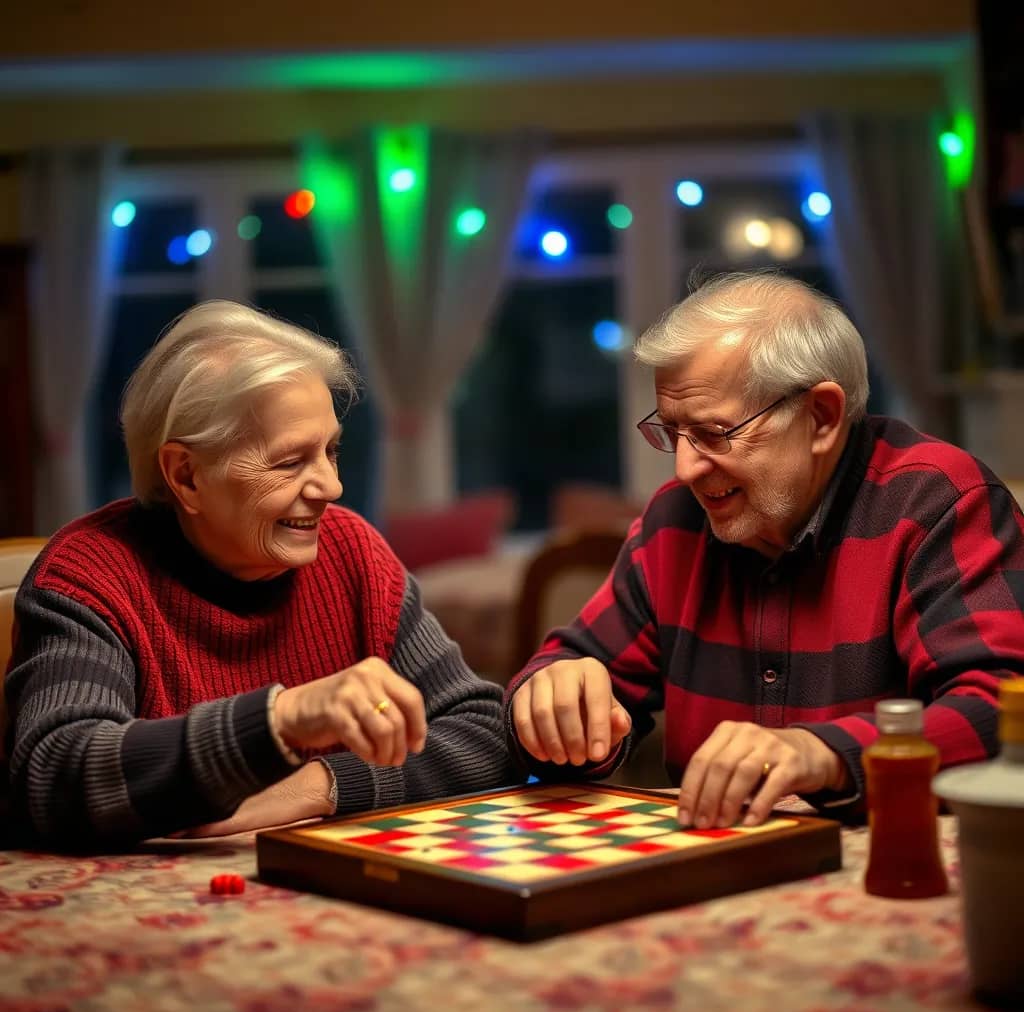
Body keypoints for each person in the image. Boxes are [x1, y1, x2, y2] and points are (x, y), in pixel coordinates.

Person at [507, 270, 1024, 830]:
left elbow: (1003, 708)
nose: (684, 470)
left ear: (821, 417)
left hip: (891, 861)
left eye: (713, 433)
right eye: (672, 432)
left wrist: (821, 755)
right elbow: (567, 667)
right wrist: (547, 703)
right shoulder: (674, 521)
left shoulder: (937, 501)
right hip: (714, 866)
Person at [5, 300, 519, 849]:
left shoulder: (354, 555)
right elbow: (55, 776)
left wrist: (318, 785)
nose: (331, 487)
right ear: (187, 476)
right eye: (290, 461)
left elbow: (483, 732)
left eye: (331, 451)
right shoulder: (91, 575)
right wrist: (281, 719)